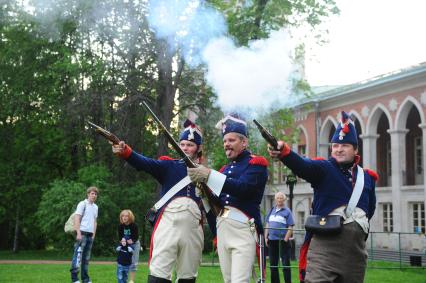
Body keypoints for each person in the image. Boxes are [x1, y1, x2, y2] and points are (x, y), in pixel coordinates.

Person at [268, 111, 377, 283]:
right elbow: (303, 166)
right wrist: (284, 152)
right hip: (325, 250)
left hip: (355, 254)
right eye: (335, 146)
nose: (339, 149)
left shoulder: (368, 178)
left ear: (356, 149)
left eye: (345, 146)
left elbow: (370, 210)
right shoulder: (324, 168)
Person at [112, 119, 209, 283]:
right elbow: (144, 162)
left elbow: (211, 207)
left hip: (193, 231)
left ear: (198, 148)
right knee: (159, 276)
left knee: (187, 276)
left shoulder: (207, 174)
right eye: (183, 144)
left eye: (190, 145)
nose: (185, 148)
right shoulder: (168, 166)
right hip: (168, 227)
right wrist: (125, 151)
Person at [187, 114, 269, 283]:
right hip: (223, 229)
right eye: (225, 141)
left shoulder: (257, 163)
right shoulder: (224, 169)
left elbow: (244, 189)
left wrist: (210, 175)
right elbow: (216, 206)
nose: (226, 144)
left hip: (243, 229)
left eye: (231, 140)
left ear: (244, 142)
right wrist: (203, 194)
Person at [70, 186, 99, 283]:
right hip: (81, 234)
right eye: (92, 193)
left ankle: (85, 279)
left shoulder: (96, 207)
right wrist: (78, 233)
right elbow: (77, 218)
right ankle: (74, 279)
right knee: (77, 257)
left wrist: (93, 235)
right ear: (88, 194)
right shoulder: (82, 204)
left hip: (90, 235)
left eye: (95, 194)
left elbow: (95, 221)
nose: (94, 195)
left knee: (86, 259)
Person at [265, 192, 295, 283]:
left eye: (281, 198)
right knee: (273, 265)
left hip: (283, 241)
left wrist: (285, 239)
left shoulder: (287, 211)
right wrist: (266, 237)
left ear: (284, 199)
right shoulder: (272, 210)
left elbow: (290, 227)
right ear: (275, 199)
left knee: (285, 265)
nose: (279, 199)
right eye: (278, 198)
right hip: (272, 241)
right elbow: (267, 223)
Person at [118, 210, 140, 283]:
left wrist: (131, 241)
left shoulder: (134, 225)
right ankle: (124, 279)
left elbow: (135, 237)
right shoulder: (120, 226)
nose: (124, 217)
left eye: (126, 216)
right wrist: (123, 242)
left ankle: (131, 280)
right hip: (125, 245)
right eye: (123, 216)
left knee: (133, 263)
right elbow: (120, 238)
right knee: (123, 262)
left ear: (130, 217)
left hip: (134, 245)